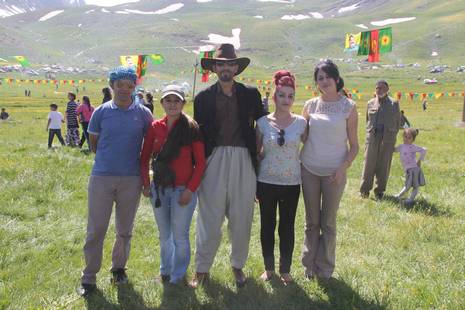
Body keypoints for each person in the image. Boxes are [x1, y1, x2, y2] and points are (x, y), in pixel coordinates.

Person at [191, 43, 267, 288]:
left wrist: (261, 151)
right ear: (214, 68)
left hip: (244, 158)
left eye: (230, 64)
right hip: (213, 159)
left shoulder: (251, 94)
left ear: (236, 67)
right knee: (209, 216)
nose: (225, 68)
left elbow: (262, 125)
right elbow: (199, 135)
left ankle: (238, 266)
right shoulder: (202, 98)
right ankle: (202, 269)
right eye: (220, 64)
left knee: (241, 216)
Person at [77, 67, 153, 297]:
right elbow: (94, 143)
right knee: (96, 229)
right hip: (102, 177)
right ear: (112, 86)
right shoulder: (101, 112)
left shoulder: (144, 114)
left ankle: (118, 269)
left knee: (124, 230)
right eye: (119, 84)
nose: (124, 89)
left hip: (131, 179)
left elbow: (149, 145)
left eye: (129, 85)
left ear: (134, 88)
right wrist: (108, 161)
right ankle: (89, 277)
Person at [140, 84, 206, 285]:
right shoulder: (155, 127)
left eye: (177, 100)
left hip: (182, 190)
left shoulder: (192, 128)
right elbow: (144, 158)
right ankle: (165, 272)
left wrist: (190, 189)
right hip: (159, 189)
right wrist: (146, 183)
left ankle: (178, 276)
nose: (172, 104)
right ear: (161, 103)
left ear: (183, 103)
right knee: (164, 235)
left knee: (180, 236)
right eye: (168, 100)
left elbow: (201, 163)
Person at [300, 59, 359, 279]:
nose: (324, 82)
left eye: (327, 77)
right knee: (312, 221)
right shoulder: (310, 105)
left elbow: (354, 147)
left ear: (336, 78)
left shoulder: (348, 107)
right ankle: (309, 265)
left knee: (328, 222)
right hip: (309, 169)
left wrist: (343, 168)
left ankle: (325, 268)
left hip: (335, 173)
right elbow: (303, 136)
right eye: (319, 78)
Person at [256, 70, 307, 284]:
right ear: (275, 96)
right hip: (266, 182)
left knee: (286, 226)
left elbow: (310, 149)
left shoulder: (302, 123)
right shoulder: (262, 123)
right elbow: (256, 154)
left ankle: (285, 269)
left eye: (290, 96)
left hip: (291, 183)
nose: (286, 100)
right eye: (282, 95)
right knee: (267, 225)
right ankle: (269, 269)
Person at [360, 80, 401, 200]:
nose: (379, 90)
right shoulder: (370, 103)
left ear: (387, 90)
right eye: (377, 88)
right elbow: (367, 120)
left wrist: (391, 135)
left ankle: (379, 191)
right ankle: (364, 190)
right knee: (368, 164)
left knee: (384, 165)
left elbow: (398, 122)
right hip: (372, 138)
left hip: (387, 139)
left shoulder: (394, 103)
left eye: (382, 88)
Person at [394, 128, 426, 205]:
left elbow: (424, 150)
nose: (406, 139)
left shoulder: (413, 147)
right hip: (408, 170)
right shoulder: (401, 146)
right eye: (405, 136)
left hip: (414, 169)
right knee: (407, 185)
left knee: (415, 186)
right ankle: (399, 196)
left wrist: (419, 160)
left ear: (413, 139)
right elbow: (394, 150)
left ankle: (410, 199)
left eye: (409, 138)